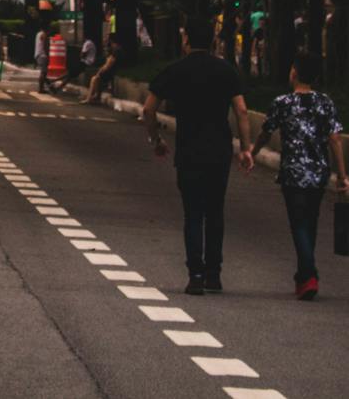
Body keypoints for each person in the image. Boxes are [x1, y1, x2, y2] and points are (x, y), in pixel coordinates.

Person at [144, 18, 249, 294]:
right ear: (213, 41)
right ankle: (214, 274)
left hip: (189, 150)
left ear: (186, 39)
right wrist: (246, 148)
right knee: (215, 212)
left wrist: (156, 139)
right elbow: (241, 111)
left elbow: (148, 108)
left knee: (193, 213)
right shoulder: (226, 70)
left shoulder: (175, 70)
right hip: (219, 151)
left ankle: (196, 275)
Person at [243, 52, 347, 300]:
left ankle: (308, 274)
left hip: (293, 172)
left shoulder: (283, 102)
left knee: (298, 223)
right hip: (319, 173)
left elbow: (266, 132)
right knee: (309, 221)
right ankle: (304, 276)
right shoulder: (326, 103)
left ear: (294, 73)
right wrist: (342, 175)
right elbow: (334, 139)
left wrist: (252, 153)